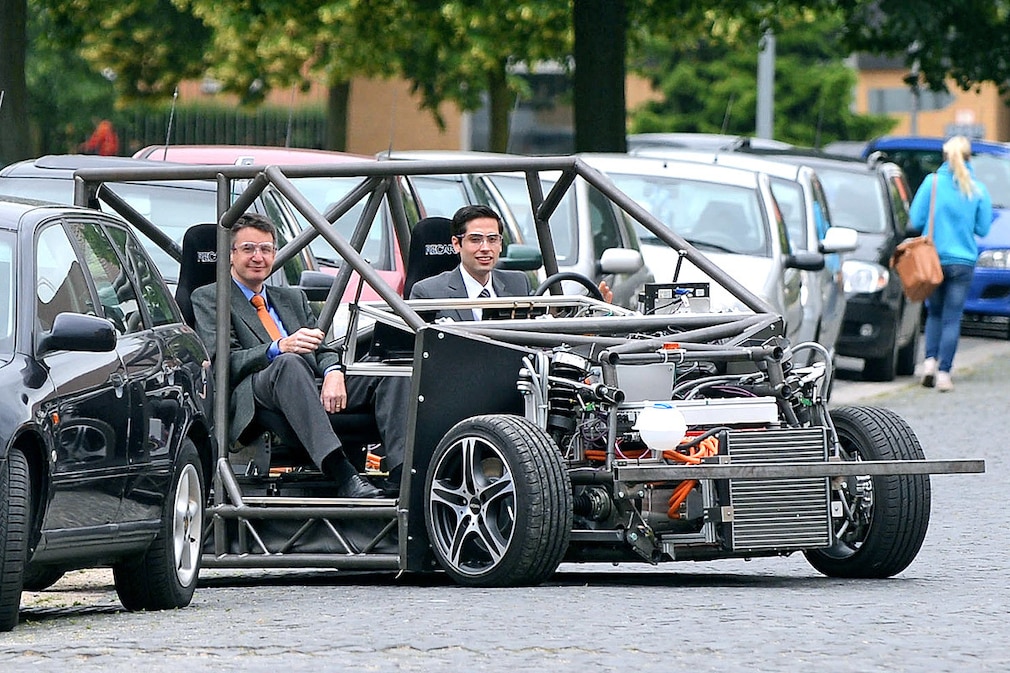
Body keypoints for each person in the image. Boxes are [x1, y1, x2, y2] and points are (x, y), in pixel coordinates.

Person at [191, 213, 410, 497]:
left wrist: (333, 373)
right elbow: (222, 363)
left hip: (308, 383)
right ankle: (343, 474)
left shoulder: (292, 298)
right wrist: (277, 348)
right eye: (248, 249)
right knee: (289, 362)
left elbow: (324, 349)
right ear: (230, 255)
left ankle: (403, 476)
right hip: (256, 391)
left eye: (266, 249)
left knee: (388, 369)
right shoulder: (210, 297)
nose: (258, 256)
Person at [409, 204, 612, 318]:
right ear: (456, 244)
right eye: (475, 240)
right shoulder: (428, 293)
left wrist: (590, 313)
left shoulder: (518, 283)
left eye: (493, 239)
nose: (485, 248)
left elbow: (543, 332)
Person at [908, 135, 993, 392]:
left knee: (933, 313)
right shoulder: (977, 188)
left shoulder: (932, 183)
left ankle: (930, 363)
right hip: (963, 261)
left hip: (933, 258)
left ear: (944, 156)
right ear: (968, 157)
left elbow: (915, 219)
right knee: (952, 318)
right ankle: (944, 374)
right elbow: (983, 227)